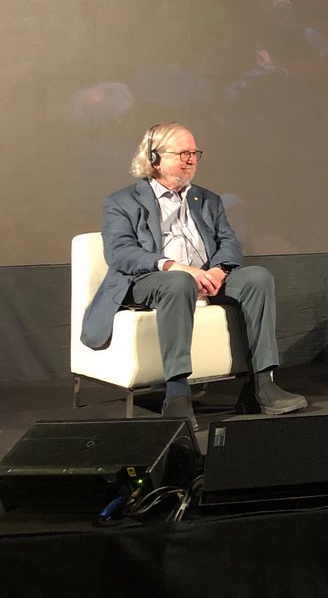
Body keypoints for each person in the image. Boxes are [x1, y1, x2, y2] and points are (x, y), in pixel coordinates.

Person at [80, 123, 307, 429]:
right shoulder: (123, 201)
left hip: (205, 275)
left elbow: (229, 242)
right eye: (182, 153)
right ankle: (176, 394)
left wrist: (219, 270)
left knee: (257, 277)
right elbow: (120, 253)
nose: (190, 159)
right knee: (179, 282)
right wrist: (174, 266)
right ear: (154, 157)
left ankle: (261, 385)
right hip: (152, 279)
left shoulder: (208, 199)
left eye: (194, 153)